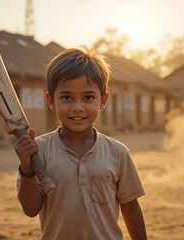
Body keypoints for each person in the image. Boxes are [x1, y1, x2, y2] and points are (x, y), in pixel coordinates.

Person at [14, 46, 147, 240]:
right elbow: (30, 209)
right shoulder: (38, 150)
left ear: (103, 100)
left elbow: (131, 207)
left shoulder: (117, 152)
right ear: (51, 101)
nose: (78, 107)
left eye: (88, 97)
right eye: (66, 97)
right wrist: (27, 169)